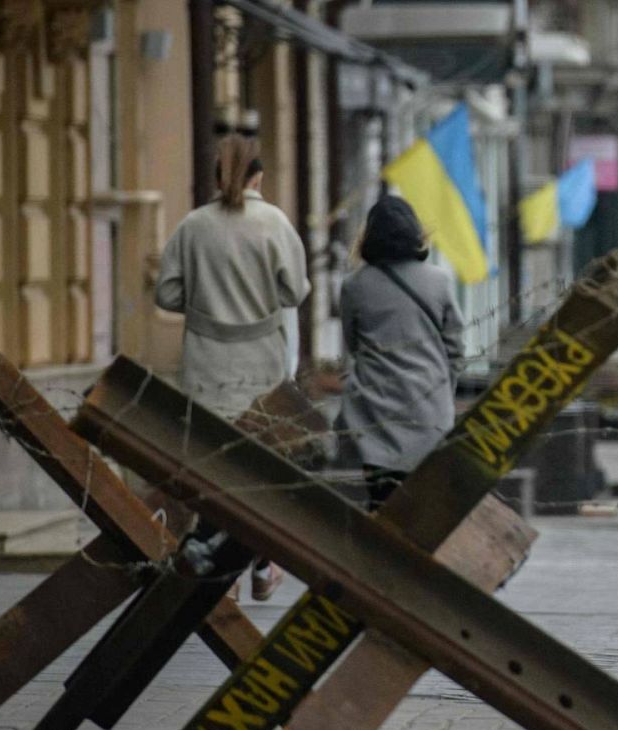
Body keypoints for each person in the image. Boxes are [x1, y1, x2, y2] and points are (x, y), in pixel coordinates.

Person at [156, 133, 309, 601]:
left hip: (206, 367)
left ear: (217, 177)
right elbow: (294, 292)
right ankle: (262, 564)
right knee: (258, 469)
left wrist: (205, 303)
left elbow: (166, 295)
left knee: (211, 469)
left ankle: (219, 580)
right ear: (259, 175)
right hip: (259, 366)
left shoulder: (193, 226)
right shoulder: (275, 224)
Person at [338, 196, 464, 509]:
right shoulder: (439, 281)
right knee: (424, 507)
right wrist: (442, 387)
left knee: (383, 502)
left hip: (375, 409)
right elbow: (456, 349)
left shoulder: (354, 286)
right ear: (414, 233)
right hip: (430, 408)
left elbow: (352, 344)